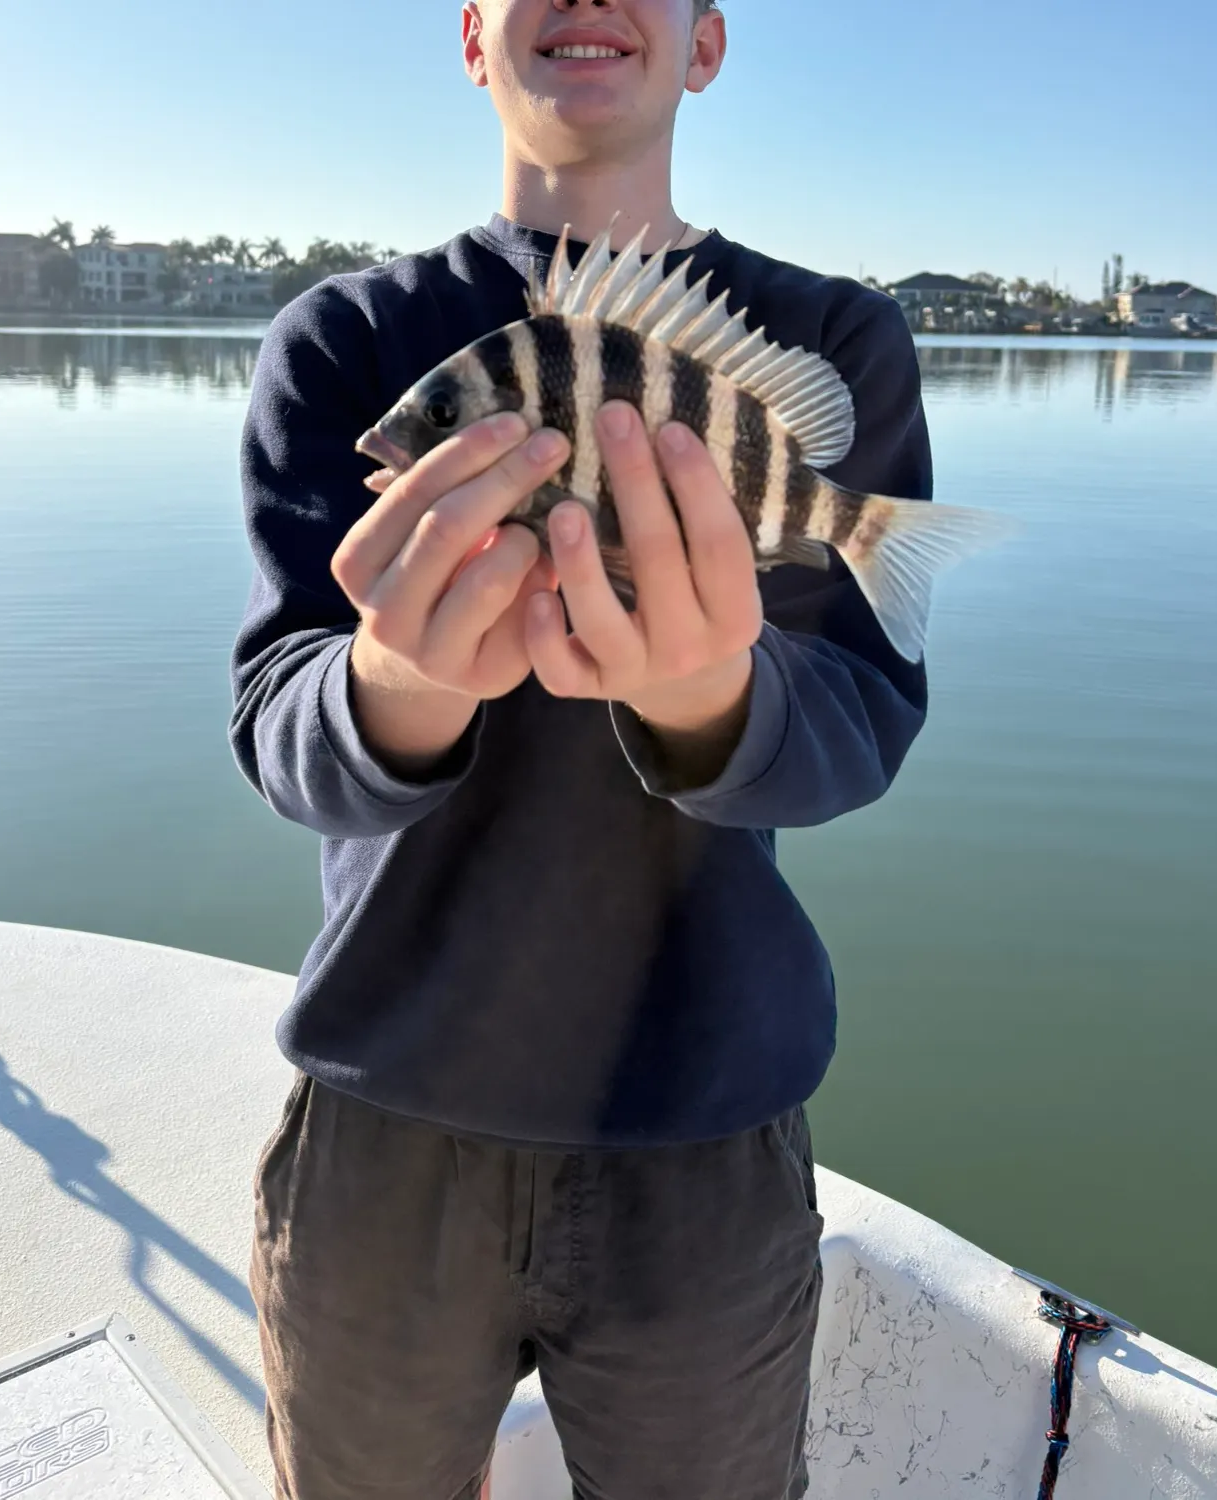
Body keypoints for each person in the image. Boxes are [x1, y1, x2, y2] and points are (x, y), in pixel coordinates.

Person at [229, 1, 933, 1496]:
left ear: (709, 40)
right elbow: (278, 729)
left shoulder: (837, 342)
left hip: (707, 1134)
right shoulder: (344, 342)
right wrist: (396, 680)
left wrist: (708, 700)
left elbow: (861, 729)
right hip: (382, 1119)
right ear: (473, 37)